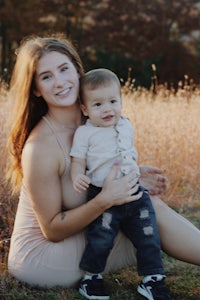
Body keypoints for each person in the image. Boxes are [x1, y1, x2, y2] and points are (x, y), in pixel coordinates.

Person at [6, 34, 200, 297]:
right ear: (36, 89)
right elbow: (51, 230)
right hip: (42, 258)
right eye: (46, 76)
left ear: (77, 69)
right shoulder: (40, 147)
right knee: (146, 212)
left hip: (73, 236)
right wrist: (106, 199)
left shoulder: (93, 121)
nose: (60, 82)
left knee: (141, 202)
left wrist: (132, 175)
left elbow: (93, 177)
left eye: (64, 69)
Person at [70, 68, 171, 300]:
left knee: (148, 233)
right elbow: (78, 161)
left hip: (134, 191)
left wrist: (137, 170)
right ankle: (92, 279)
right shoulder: (85, 133)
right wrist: (77, 176)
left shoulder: (125, 124)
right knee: (101, 236)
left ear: (121, 101)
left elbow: (127, 154)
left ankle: (152, 280)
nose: (107, 109)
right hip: (102, 194)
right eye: (98, 105)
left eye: (113, 101)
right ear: (85, 109)